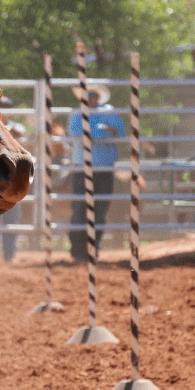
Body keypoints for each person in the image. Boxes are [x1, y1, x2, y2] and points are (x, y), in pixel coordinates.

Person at [66, 82, 124, 260]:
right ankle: (77, 249)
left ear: (98, 96)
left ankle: (94, 247)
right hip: (83, 167)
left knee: (100, 210)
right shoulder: (77, 113)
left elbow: (120, 131)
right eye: (87, 94)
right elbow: (77, 134)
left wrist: (94, 134)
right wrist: (104, 131)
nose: (90, 97)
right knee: (79, 209)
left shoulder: (108, 110)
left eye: (93, 94)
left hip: (104, 167)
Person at [0, 96, 26, 262]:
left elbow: (19, 133)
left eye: (7, 107)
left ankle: (9, 254)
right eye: (2, 106)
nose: (4, 110)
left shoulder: (16, 127)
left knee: (11, 219)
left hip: (13, 178)